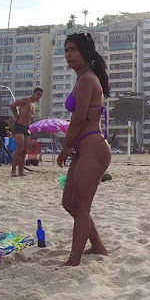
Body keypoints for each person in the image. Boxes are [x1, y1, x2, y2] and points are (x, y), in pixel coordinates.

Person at [56, 33, 111, 266]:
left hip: (93, 145)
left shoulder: (88, 79)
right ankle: (97, 245)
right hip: (84, 147)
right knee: (69, 202)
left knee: (81, 206)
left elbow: (78, 119)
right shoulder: (82, 79)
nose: (68, 54)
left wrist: (66, 145)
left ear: (85, 53)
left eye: (73, 50)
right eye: (66, 50)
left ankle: (74, 260)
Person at [10, 88, 43, 177]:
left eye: (40, 96)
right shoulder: (25, 100)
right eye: (38, 94)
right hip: (19, 126)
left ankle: (21, 171)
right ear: (34, 93)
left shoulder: (34, 105)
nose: (38, 97)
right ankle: (13, 170)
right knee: (19, 150)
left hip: (27, 128)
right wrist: (16, 116)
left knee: (24, 151)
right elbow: (12, 105)